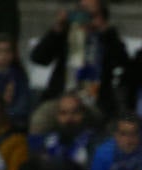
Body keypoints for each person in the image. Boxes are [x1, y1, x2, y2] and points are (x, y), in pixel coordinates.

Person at [28, 0, 129, 130]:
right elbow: (39, 58)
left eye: (91, 15)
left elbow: (122, 62)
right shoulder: (66, 34)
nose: (86, 19)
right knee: (40, 119)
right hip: (61, 98)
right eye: (82, 13)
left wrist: (105, 31)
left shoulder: (107, 38)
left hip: (92, 102)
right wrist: (57, 29)